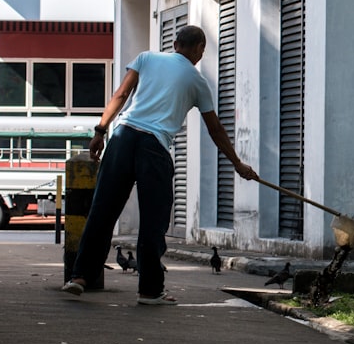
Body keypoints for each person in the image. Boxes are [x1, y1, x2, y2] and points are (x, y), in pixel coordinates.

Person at [62, 25, 257, 305]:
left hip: (122, 136)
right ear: (200, 49)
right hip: (153, 146)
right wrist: (237, 164)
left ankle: (79, 277)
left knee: (103, 209)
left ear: (175, 44)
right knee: (153, 220)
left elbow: (120, 95)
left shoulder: (147, 58)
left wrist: (100, 131)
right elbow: (215, 129)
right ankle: (150, 290)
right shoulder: (198, 81)